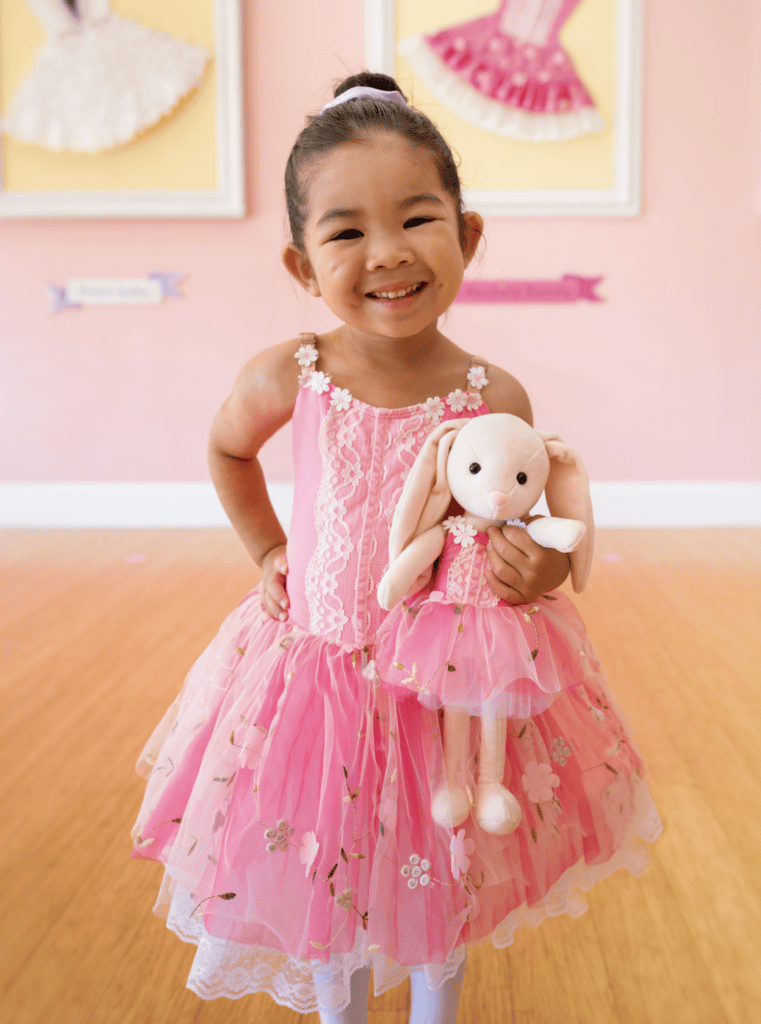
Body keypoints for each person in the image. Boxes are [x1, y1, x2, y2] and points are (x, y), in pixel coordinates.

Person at [131, 72, 661, 1024]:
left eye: (417, 219)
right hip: (318, 684)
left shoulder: (493, 395)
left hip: (446, 691)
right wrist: (268, 549)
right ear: (302, 265)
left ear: (467, 235)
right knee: (323, 871)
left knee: (445, 871)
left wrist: (540, 568)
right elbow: (226, 449)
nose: (387, 253)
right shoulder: (288, 375)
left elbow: (515, 513)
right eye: (346, 233)